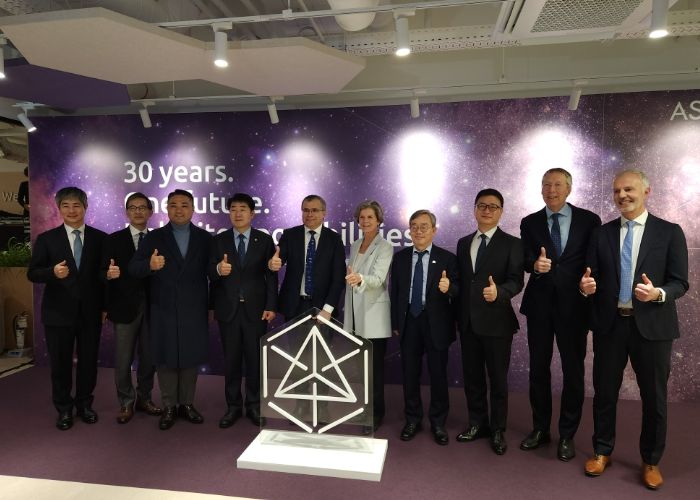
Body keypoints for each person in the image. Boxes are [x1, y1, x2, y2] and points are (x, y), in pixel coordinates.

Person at [579, 169, 688, 490]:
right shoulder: (601, 234)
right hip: (610, 326)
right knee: (604, 393)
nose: (622, 196)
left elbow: (680, 282)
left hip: (653, 328)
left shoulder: (669, 232)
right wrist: (585, 287)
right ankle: (602, 451)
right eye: (617, 191)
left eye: (629, 189)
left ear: (646, 192)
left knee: (654, 397)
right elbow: (589, 276)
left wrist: (658, 293)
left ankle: (651, 460)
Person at [518, 168, 601, 461]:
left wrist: (588, 283)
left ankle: (567, 434)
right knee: (538, 370)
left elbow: (594, 260)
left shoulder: (589, 220)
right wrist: (534, 265)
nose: (551, 190)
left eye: (557, 185)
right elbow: (525, 259)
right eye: (546, 185)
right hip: (539, 306)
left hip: (575, 306)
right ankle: (540, 429)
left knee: (573, 372)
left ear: (568, 188)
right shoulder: (529, 222)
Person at [129, 189, 212, 430]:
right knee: (165, 358)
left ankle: (186, 404)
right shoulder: (154, 237)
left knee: (189, 356)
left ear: (193, 208)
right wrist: (150, 264)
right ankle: (169, 406)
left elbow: (213, 271)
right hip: (163, 307)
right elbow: (134, 268)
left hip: (194, 308)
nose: (179, 209)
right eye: (173, 205)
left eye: (184, 205)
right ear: (167, 209)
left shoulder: (205, 238)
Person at [27, 187, 106, 430]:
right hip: (58, 314)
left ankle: (85, 405)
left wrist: (105, 306)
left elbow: (102, 277)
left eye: (76, 205)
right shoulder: (47, 239)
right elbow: (33, 273)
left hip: (90, 313)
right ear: (59, 208)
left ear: (85, 207)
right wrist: (52, 272)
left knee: (88, 362)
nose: (72, 210)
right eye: (66, 206)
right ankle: (63, 409)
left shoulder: (101, 238)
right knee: (60, 365)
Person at [455, 189, 523, 455]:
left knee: (498, 380)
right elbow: (463, 282)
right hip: (468, 323)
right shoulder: (463, 243)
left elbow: (516, 281)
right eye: (482, 205)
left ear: (501, 212)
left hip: (497, 323)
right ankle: (477, 424)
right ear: (474, 209)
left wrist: (500, 292)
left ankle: (497, 430)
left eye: (493, 207)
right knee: (472, 378)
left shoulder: (512, 243)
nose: (487, 210)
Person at [209, 193, 277, 429]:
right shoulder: (218, 241)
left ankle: (254, 405)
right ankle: (233, 406)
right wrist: (219, 269)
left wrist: (271, 305)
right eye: (233, 209)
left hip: (256, 311)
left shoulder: (264, 240)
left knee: (255, 360)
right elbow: (209, 272)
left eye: (243, 209)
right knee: (231, 361)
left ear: (252, 213)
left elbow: (271, 276)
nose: (237, 213)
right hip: (228, 310)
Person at [390, 209, 458, 446]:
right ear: (409, 230)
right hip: (409, 321)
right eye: (414, 227)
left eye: (424, 226)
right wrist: (396, 323)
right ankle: (413, 419)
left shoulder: (448, 258)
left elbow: (458, 290)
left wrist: (449, 288)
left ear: (434, 230)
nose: (418, 231)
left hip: (436, 323)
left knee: (438, 375)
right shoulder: (400, 258)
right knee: (410, 374)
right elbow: (395, 292)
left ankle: (438, 422)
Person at [101, 192, 161, 424]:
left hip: (154, 308)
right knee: (123, 359)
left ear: (150, 212)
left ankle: (145, 398)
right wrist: (108, 275)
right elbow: (101, 272)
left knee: (149, 358)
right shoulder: (113, 240)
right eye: (133, 208)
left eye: (142, 207)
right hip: (123, 307)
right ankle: (126, 402)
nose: (138, 211)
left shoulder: (159, 239)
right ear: (127, 212)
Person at [343, 200, 393, 435]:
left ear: (379, 220)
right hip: (355, 314)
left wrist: (360, 279)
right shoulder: (355, 245)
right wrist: (356, 279)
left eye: (370, 217)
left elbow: (379, 279)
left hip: (374, 315)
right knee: (362, 368)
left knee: (374, 370)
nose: (365, 221)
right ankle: (366, 408)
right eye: (361, 217)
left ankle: (375, 414)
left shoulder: (385, 246)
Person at [268, 194, 345, 321]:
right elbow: (277, 260)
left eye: (314, 210)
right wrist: (272, 264)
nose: (309, 214)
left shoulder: (334, 239)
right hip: (293, 307)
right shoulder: (290, 235)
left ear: (324, 213)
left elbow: (338, 278)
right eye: (306, 210)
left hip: (323, 308)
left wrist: (327, 309)